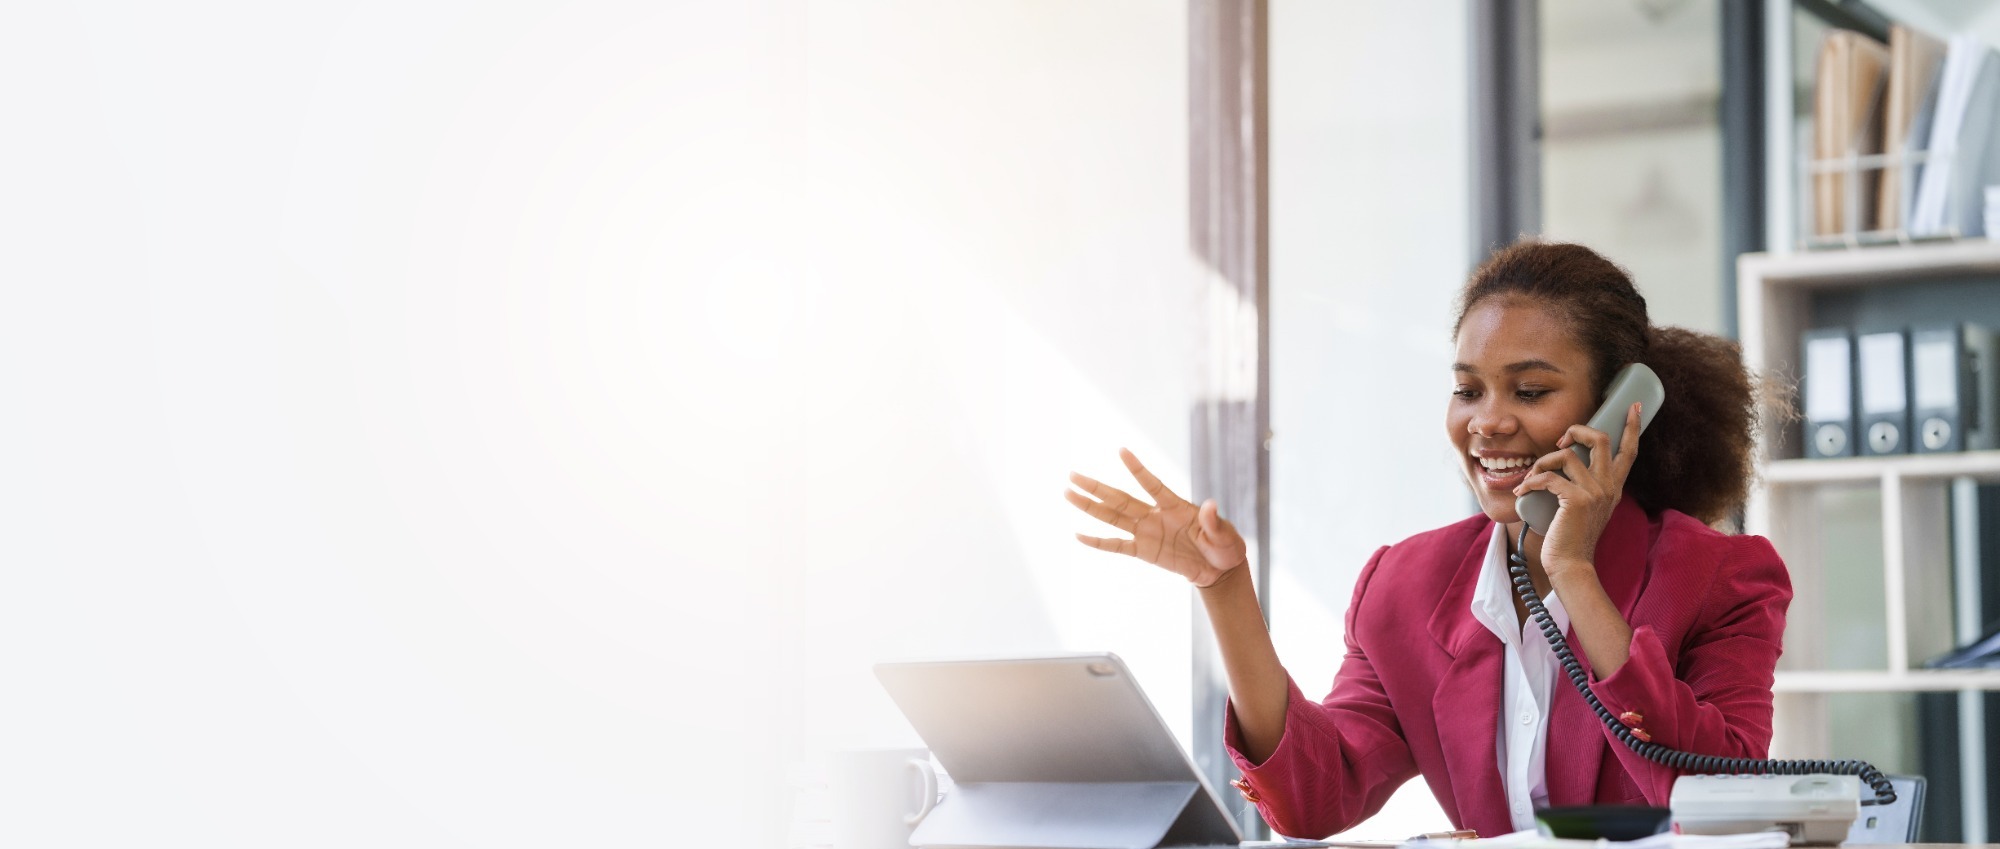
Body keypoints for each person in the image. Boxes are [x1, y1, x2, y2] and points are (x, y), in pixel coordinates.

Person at [1065, 241, 1781, 839]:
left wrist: (1573, 571)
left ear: (1620, 411)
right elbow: (1317, 796)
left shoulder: (1723, 577)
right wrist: (1224, 590)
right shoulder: (1404, 586)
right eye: (1469, 390)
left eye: (1530, 392)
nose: (1487, 422)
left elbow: (1724, 798)